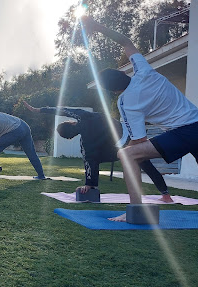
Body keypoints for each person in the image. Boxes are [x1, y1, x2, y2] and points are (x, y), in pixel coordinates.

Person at [81, 16, 198, 222]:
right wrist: (98, 27)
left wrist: (124, 157)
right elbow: (126, 42)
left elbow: (139, 140)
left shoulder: (126, 101)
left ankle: (135, 210)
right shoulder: (144, 71)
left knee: (127, 155)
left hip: (185, 132)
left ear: (114, 90)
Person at [23, 101, 173, 202]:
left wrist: (90, 184)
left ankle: (165, 196)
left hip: (120, 147)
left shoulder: (86, 144)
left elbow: (90, 163)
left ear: (71, 137)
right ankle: (165, 195)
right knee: (145, 163)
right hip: (129, 133)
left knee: (100, 157)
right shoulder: (83, 115)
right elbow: (63, 110)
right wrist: (40, 110)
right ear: (71, 122)